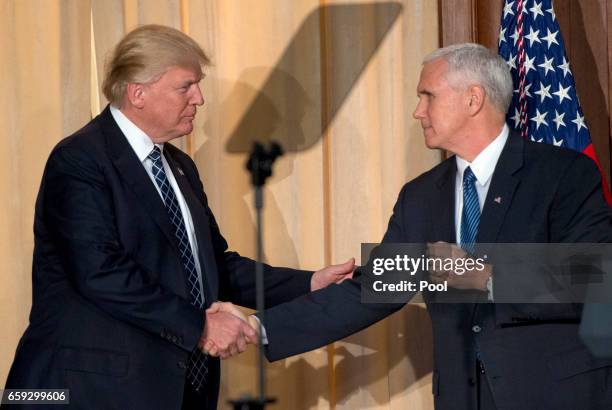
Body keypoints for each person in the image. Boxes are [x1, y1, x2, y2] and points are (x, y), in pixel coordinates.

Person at [209, 43, 612, 409]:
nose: (418, 111)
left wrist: (486, 274)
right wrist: (258, 326)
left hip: (553, 396)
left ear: (474, 98)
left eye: (428, 96)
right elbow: (372, 290)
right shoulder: (420, 197)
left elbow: (594, 274)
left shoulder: (563, 174)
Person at [2, 24, 354, 410]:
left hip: (172, 387)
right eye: (185, 86)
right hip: (84, 390)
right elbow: (99, 271)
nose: (199, 99)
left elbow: (214, 267)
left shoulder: (179, 165)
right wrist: (200, 325)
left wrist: (308, 284)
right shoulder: (79, 160)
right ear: (138, 92)